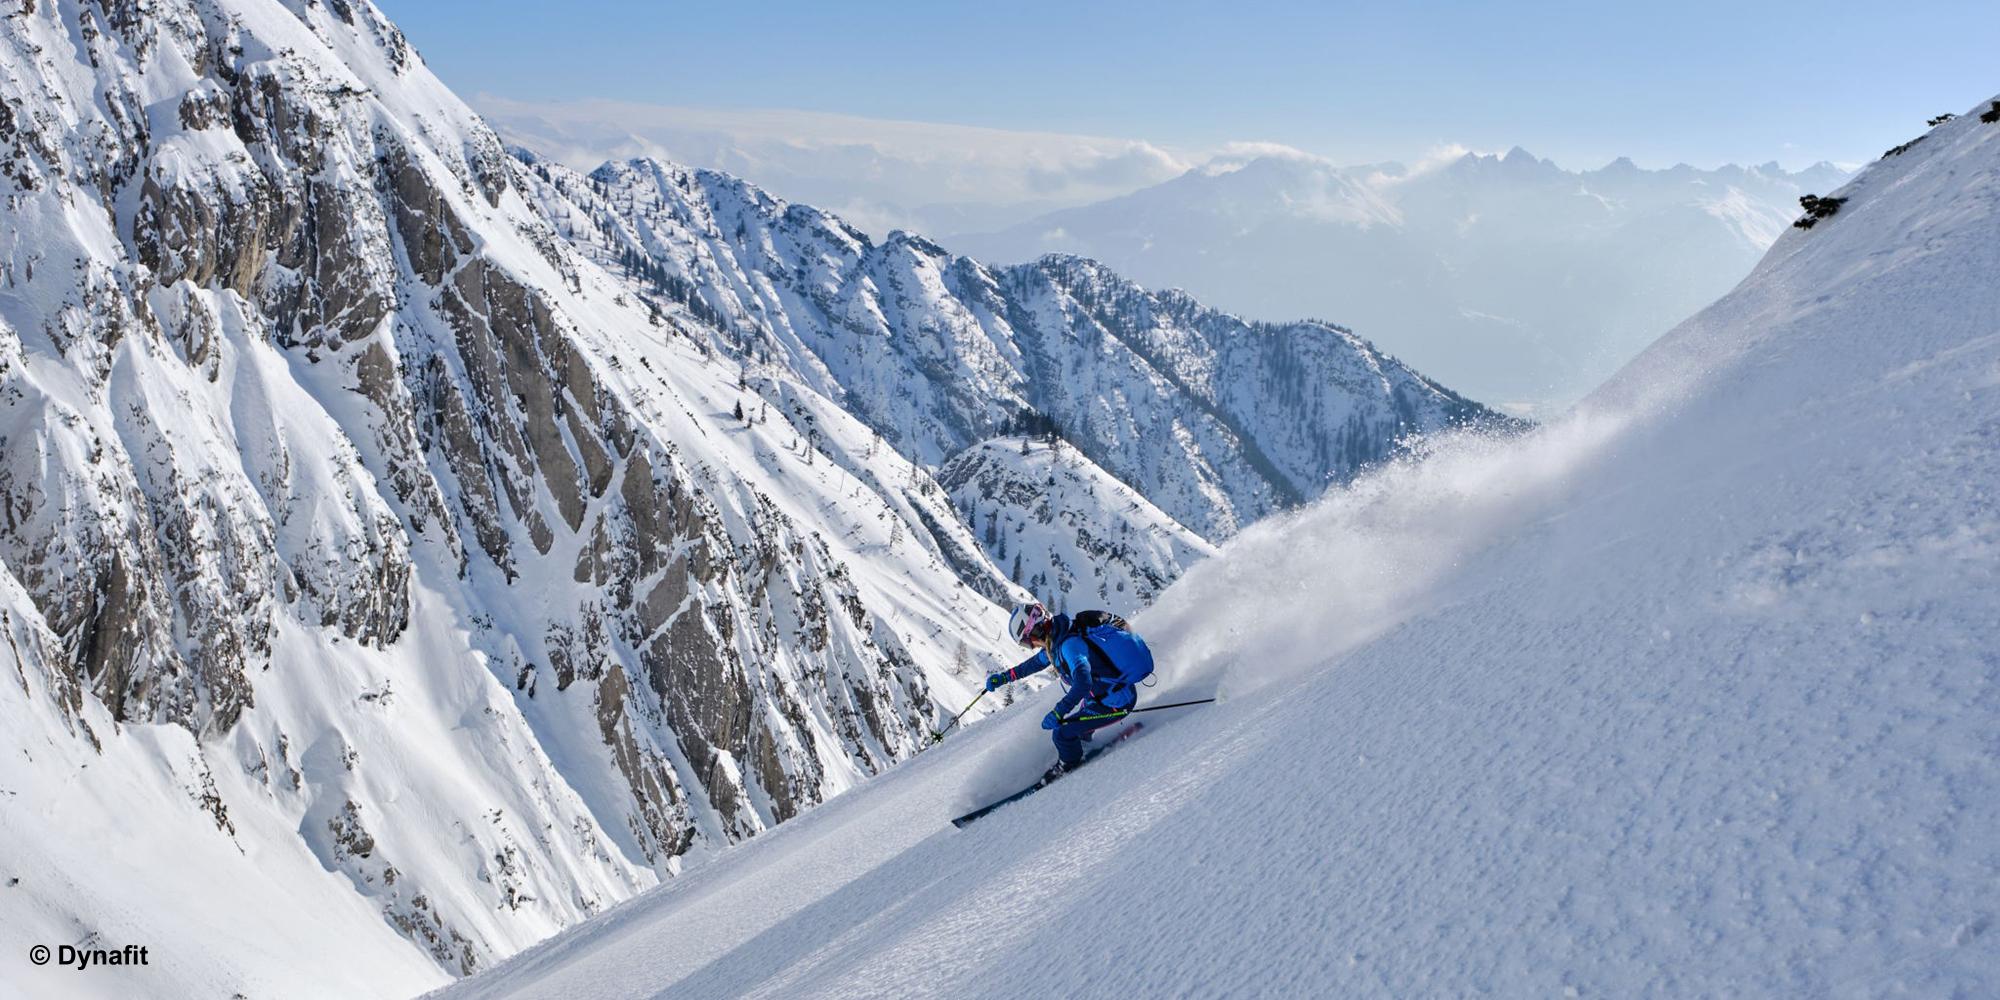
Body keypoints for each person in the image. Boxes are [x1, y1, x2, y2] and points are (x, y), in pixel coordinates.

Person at [984, 601, 1154, 778]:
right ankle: (1084, 744)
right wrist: (1005, 677)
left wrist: (1059, 711)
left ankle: (1069, 765)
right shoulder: (1057, 639)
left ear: (1036, 630)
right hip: (1100, 696)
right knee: (1079, 729)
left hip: (1115, 701)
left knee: (1061, 734)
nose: (1032, 646)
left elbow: (1083, 683)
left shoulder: (1069, 646)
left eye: (1028, 642)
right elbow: (1034, 664)